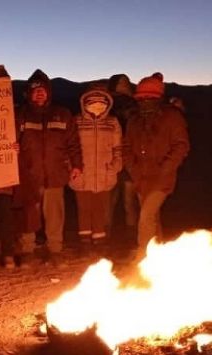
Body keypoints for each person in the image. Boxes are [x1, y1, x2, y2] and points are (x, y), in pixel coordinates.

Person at [13, 69, 83, 267]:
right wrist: (12, 147)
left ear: (49, 92)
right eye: (35, 90)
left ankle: (55, 250)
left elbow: (73, 143)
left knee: (54, 215)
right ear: (28, 93)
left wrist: (77, 164)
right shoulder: (20, 115)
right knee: (28, 214)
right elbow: (9, 139)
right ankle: (27, 249)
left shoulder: (62, 114)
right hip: (28, 175)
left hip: (55, 174)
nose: (39, 93)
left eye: (43, 90)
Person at [123, 75, 190, 263]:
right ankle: (158, 256)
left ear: (158, 98)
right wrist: (134, 169)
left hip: (161, 179)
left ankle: (142, 257)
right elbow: (126, 148)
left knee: (145, 216)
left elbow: (181, 145)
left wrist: (165, 168)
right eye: (141, 98)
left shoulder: (171, 117)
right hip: (141, 178)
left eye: (149, 98)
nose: (145, 102)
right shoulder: (134, 120)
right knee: (153, 218)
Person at [69, 83, 122, 251]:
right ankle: (84, 240)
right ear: (85, 103)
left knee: (100, 207)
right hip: (81, 172)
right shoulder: (76, 121)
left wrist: (116, 165)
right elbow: (69, 145)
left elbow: (118, 147)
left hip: (104, 172)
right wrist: (70, 166)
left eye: (102, 103)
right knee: (83, 207)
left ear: (108, 103)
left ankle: (99, 238)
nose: (98, 106)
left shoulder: (112, 122)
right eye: (93, 102)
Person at [107, 74, 139, 245]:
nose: (125, 85)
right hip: (119, 158)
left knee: (123, 201)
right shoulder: (112, 106)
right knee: (120, 202)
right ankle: (126, 237)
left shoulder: (110, 105)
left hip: (124, 159)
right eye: (122, 83)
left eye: (126, 82)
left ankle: (121, 236)